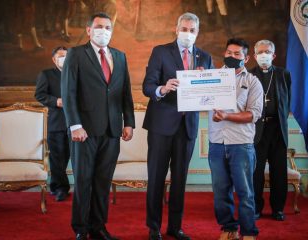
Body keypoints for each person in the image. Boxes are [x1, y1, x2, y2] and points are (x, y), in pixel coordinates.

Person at [61, 12, 135, 240]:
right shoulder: (75, 54)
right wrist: (75, 125)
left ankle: (98, 226)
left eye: (108, 27)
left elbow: (125, 93)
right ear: (89, 30)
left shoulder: (120, 57)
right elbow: (68, 92)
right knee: (84, 182)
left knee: (103, 182)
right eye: (99, 26)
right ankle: (81, 229)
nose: (104, 30)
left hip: (112, 131)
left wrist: (129, 122)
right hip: (84, 132)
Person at [143, 12, 214, 240]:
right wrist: (163, 89)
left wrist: (205, 83)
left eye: (192, 30)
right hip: (161, 125)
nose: (188, 33)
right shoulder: (161, 52)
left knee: (180, 179)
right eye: (184, 29)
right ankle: (154, 227)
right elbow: (148, 86)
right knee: (156, 177)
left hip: (188, 127)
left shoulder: (205, 57)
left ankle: (175, 226)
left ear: (197, 33)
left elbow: (210, 94)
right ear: (176, 29)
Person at [208, 38, 263, 240]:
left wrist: (227, 116)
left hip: (241, 144)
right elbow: (195, 100)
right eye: (229, 53)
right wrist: (193, 80)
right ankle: (228, 229)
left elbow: (253, 114)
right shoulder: (211, 77)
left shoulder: (253, 82)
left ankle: (249, 232)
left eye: (237, 54)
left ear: (246, 58)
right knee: (221, 192)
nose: (231, 56)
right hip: (216, 143)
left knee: (245, 192)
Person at [250, 40, 291, 221]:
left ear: (273, 55)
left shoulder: (283, 74)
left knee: (279, 171)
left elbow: (287, 100)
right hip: (257, 129)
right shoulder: (249, 75)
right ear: (254, 55)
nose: (264, 54)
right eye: (260, 52)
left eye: (267, 51)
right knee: (256, 171)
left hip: (277, 128)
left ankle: (278, 209)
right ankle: (256, 208)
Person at [35, 46, 70, 201]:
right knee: (57, 159)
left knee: (71, 157)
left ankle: (60, 186)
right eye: (60, 56)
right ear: (54, 59)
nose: (63, 59)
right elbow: (40, 95)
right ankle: (59, 188)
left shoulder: (76, 74)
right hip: (56, 123)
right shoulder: (46, 74)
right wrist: (56, 101)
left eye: (66, 56)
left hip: (76, 124)